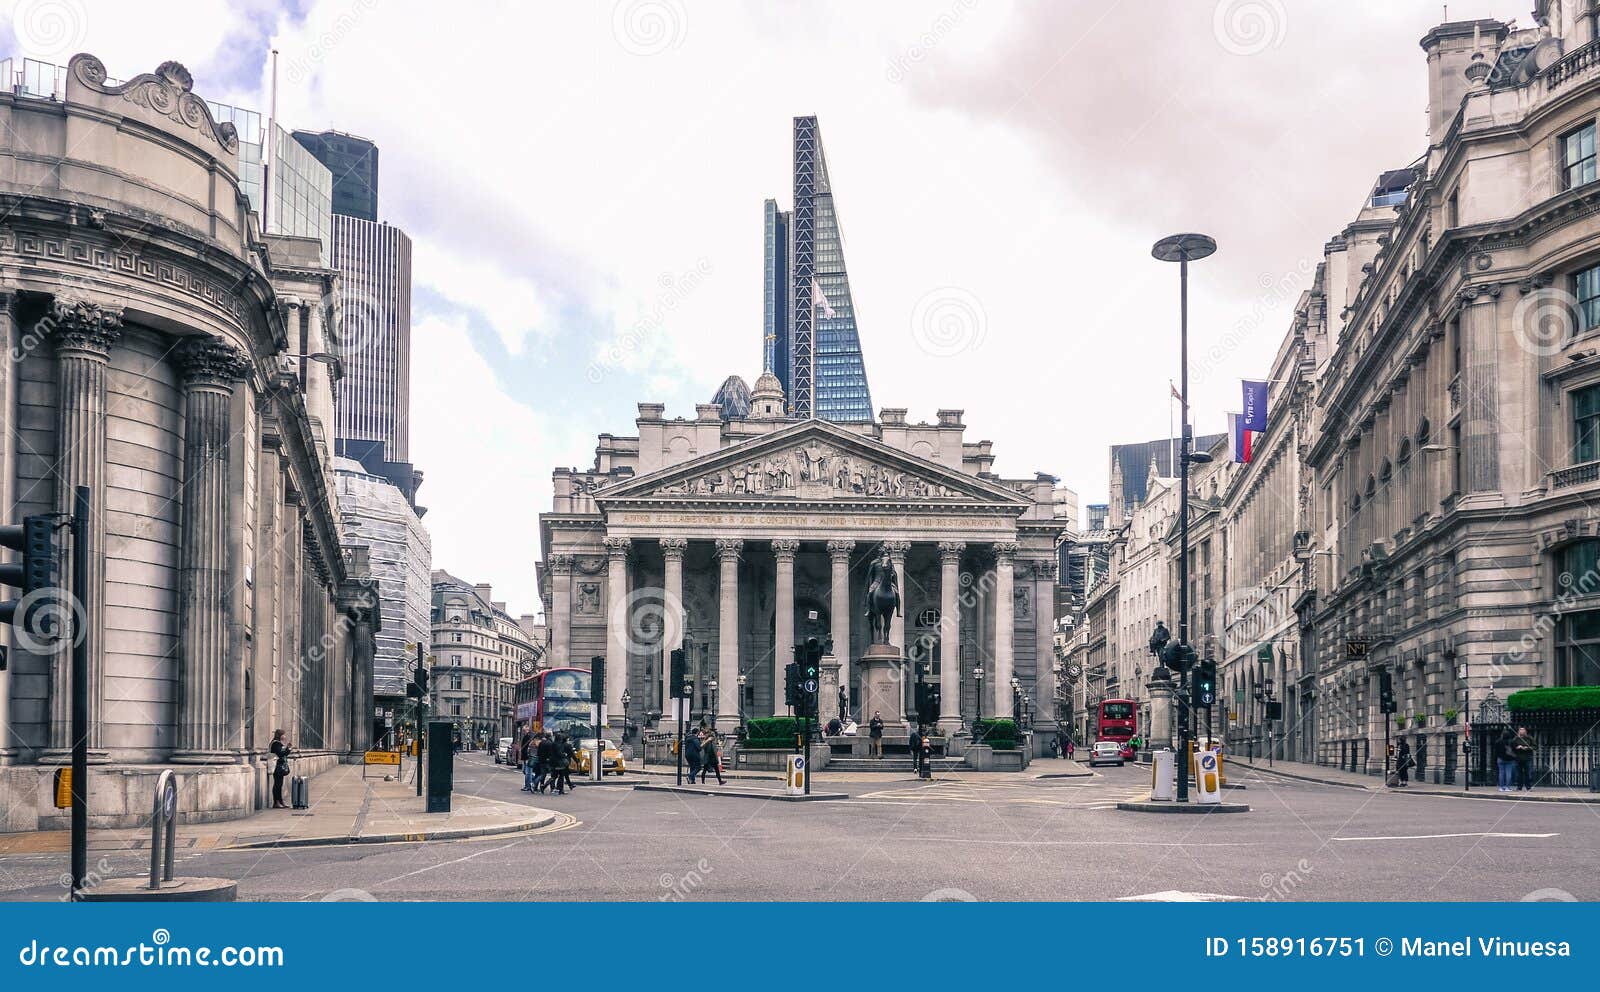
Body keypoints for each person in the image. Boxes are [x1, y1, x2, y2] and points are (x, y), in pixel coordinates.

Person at [269, 729, 292, 809]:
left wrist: (287, 749)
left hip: (279, 766)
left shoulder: (278, 743)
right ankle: (276, 802)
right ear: (280, 735)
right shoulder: (275, 743)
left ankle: (280, 801)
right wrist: (288, 749)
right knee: (277, 785)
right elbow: (281, 754)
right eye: (283, 734)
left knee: (279, 784)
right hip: (276, 767)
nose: (285, 736)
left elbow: (282, 753)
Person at [1512, 726, 1536, 791]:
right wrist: (1517, 747)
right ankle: (1519, 787)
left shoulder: (1529, 738)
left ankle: (1528, 787)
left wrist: (1527, 748)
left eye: (1523, 730)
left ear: (1525, 731)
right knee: (1518, 774)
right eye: (1520, 730)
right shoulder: (1515, 739)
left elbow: (1534, 747)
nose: (1522, 732)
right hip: (1518, 758)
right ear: (1518, 731)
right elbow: (1512, 747)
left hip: (1527, 757)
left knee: (1528, 773)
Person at [1495, 728, 1518, 793]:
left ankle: (1501, 787)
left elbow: (1496, 751)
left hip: (1500, 758)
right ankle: (1508, 787)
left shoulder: (1498, 741)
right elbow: (1515, 750)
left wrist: (1496, 758)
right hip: (1510, 759)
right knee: (1508, 773)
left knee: (1501, 773)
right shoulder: (1512, 742)